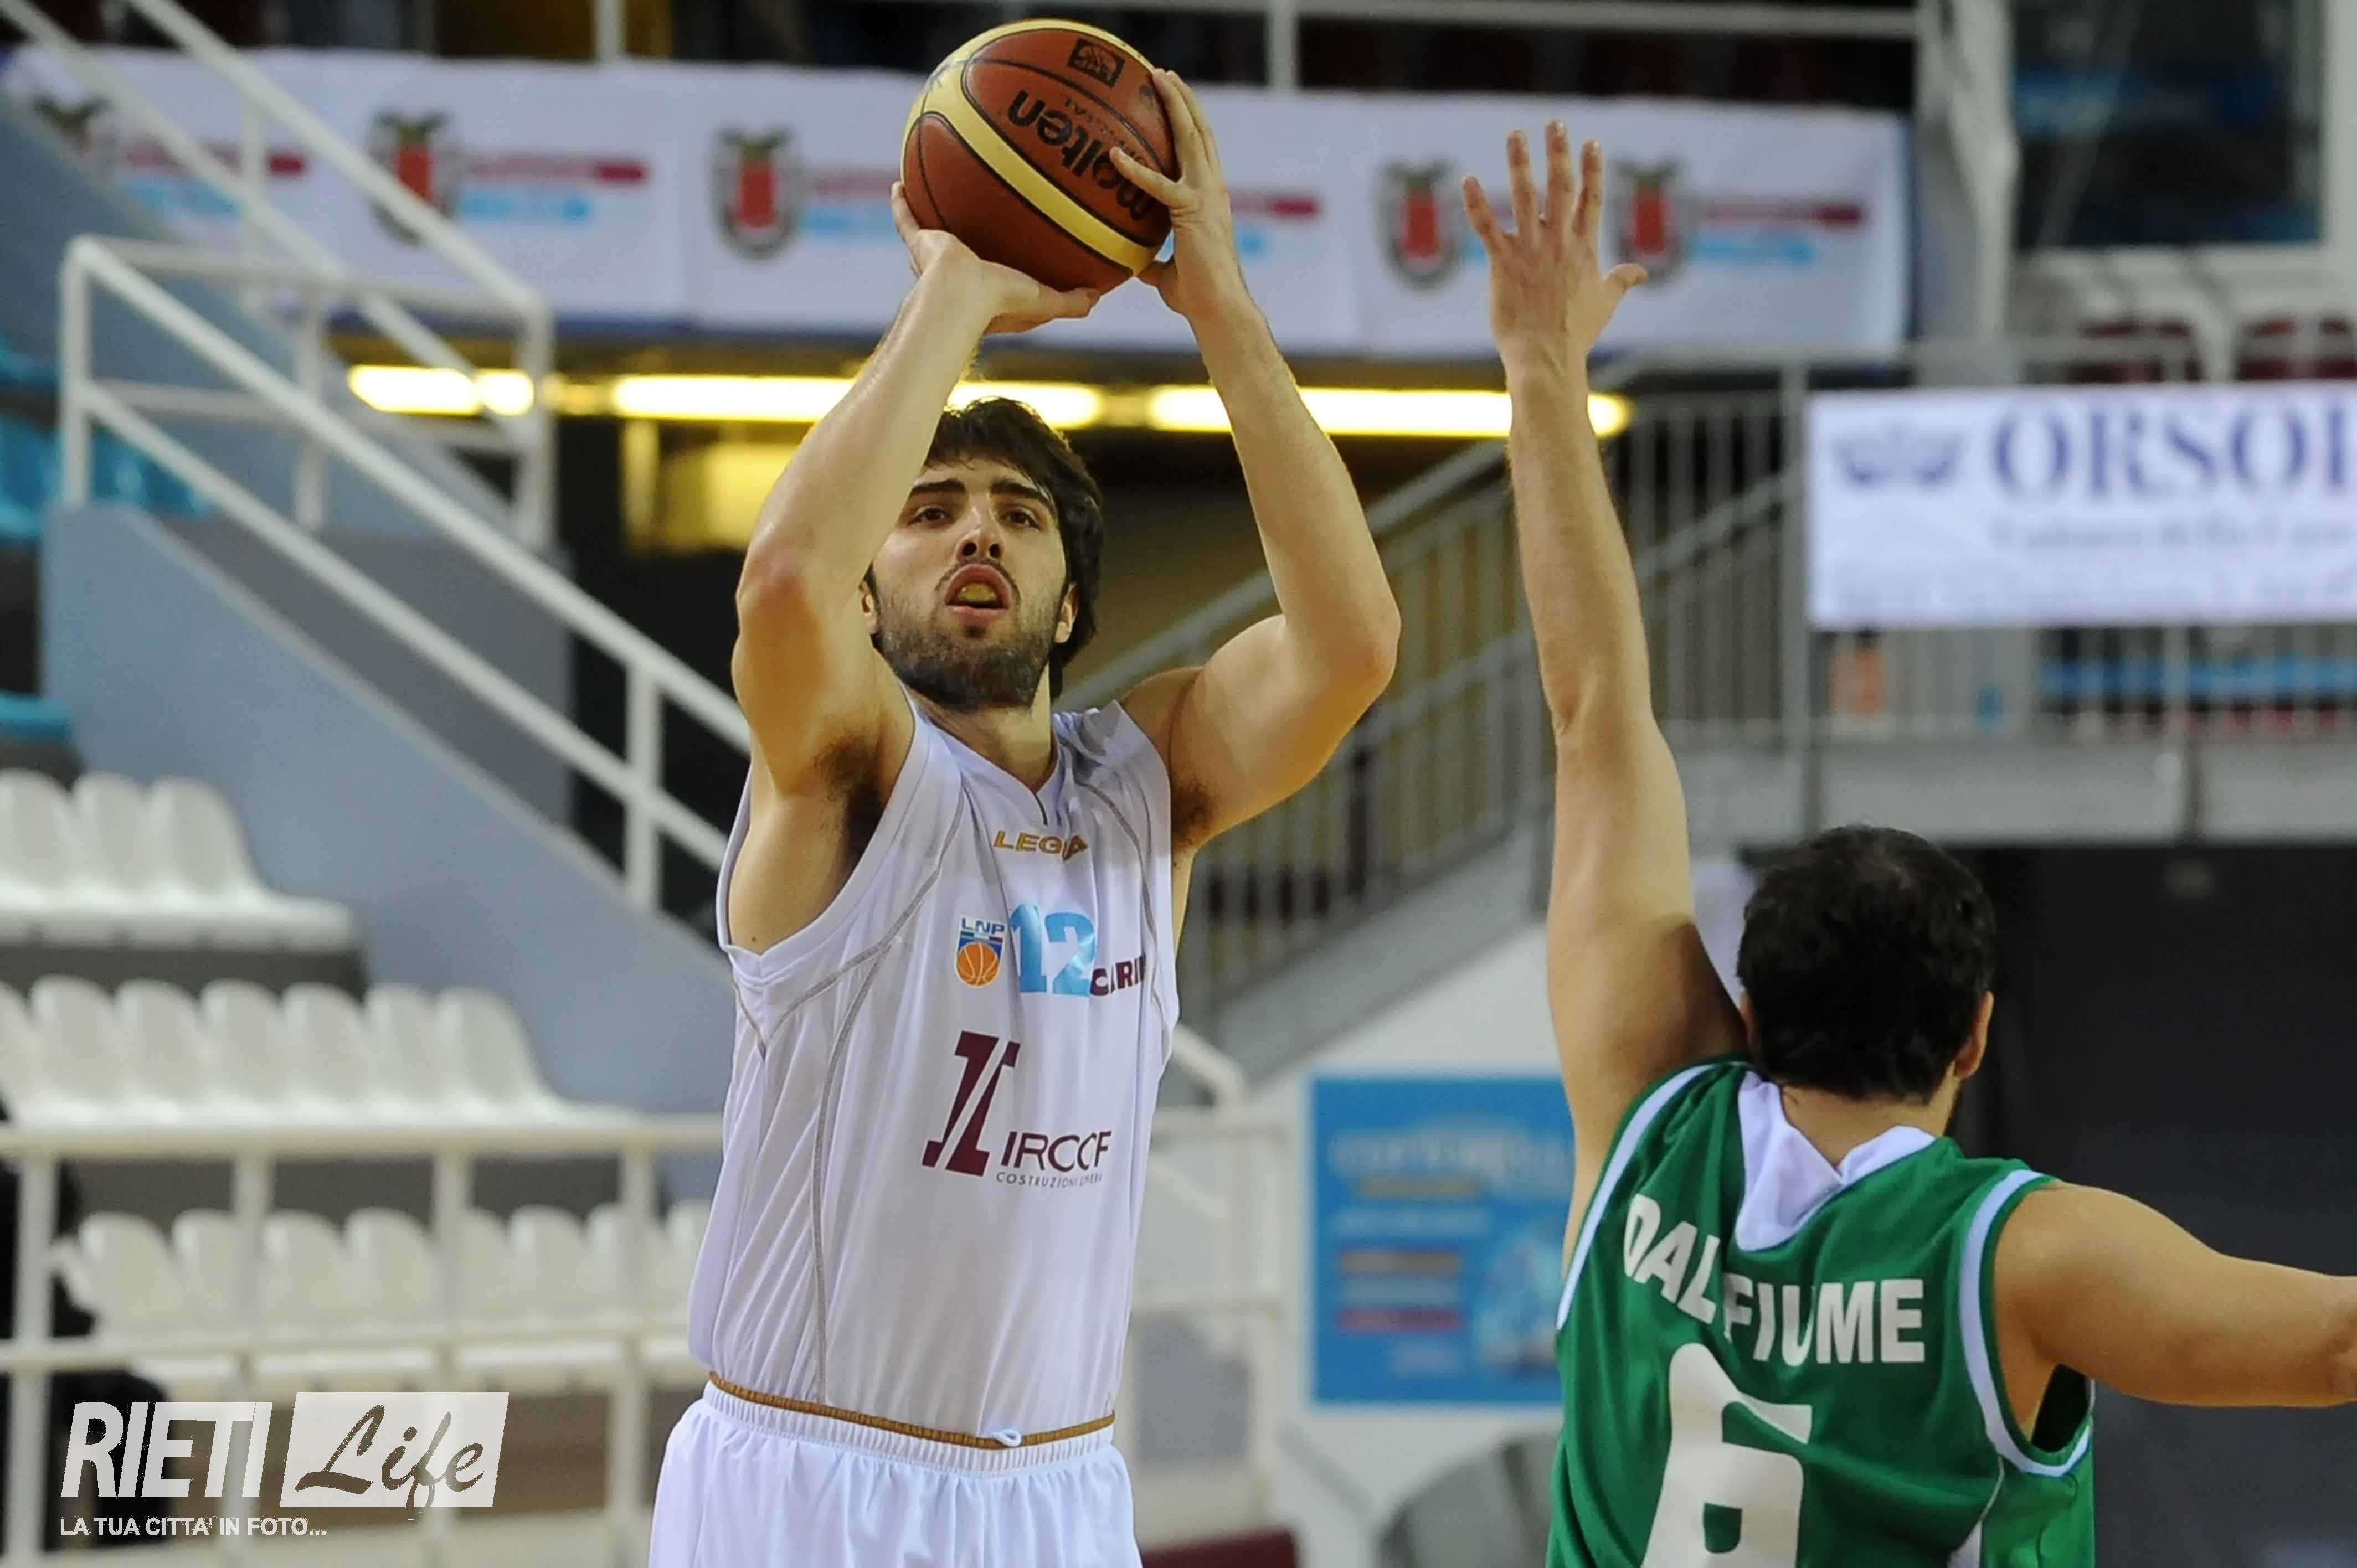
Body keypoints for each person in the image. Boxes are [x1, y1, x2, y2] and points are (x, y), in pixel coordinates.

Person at [1470, 121, 2357, 1565]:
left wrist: (1539, 372)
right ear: (1975, 1037)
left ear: (1749, 1009)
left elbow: (1595, 712)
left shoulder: (1644, 1122)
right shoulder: (2020, 1258)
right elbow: (2334, 1345)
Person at [649, 69, 1399, 1568]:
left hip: (1057, 1488)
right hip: (811, 1478)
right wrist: (955, 293)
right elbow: (784, 585)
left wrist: (1222, 308)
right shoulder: (848, 771)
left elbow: (1351, 646)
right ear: (872, 598)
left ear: (1069, 607)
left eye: (1019, 513)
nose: (976, 529)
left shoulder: (1149, 784)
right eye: (929, 512)